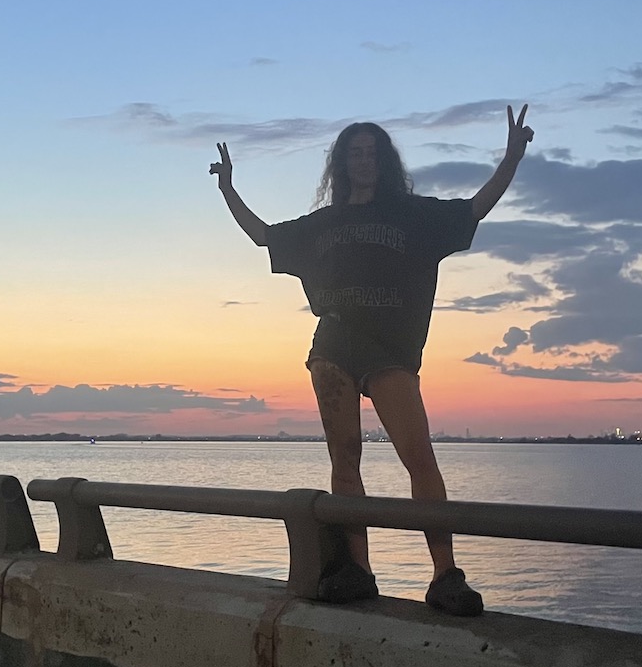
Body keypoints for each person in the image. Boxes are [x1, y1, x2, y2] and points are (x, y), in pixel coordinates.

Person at [210, 107, 534, 615]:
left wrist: (512, 157)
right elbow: (263, 235)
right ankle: (358, 569)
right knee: (345, 458)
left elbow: (473, 209)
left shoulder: (413, 215)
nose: (363, 161)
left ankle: (445, 574)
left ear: (384, 161)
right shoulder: (325, 224)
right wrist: (228, 188)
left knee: (418, 455)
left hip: (391, 351)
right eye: (354, 153)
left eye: (371, 153)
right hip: (334, 345)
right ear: (342, 164)